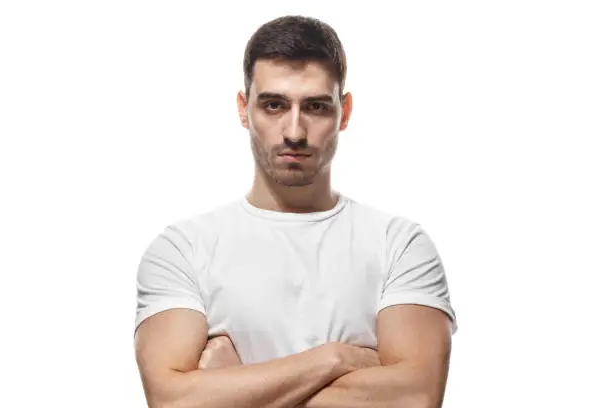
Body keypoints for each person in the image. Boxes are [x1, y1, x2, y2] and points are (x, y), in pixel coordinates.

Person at [133, 15, 458, 408]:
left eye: (316, 106)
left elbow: (416, 397)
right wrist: (336, 359)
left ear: (345, 111)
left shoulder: (398, 245)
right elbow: (173, 402)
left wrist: (232, 385)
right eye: (274, 105)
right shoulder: (183, 249)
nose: (294, 132)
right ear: (243, 108)